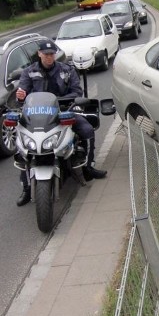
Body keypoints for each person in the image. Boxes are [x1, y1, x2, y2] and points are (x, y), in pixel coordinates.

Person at [14, 38, 107, 206]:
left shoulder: (66, 70)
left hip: (64, 111)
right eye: (46, 54)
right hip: (36, 115)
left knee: (87, 130)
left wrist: (61, 100)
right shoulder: (29, 72)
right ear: (39, 54)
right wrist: (20, 96)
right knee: (22, 146)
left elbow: (76, 91)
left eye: (52, 54)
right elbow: (22, 94)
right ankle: (26, 189)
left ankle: (88, 168)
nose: (49, 57)